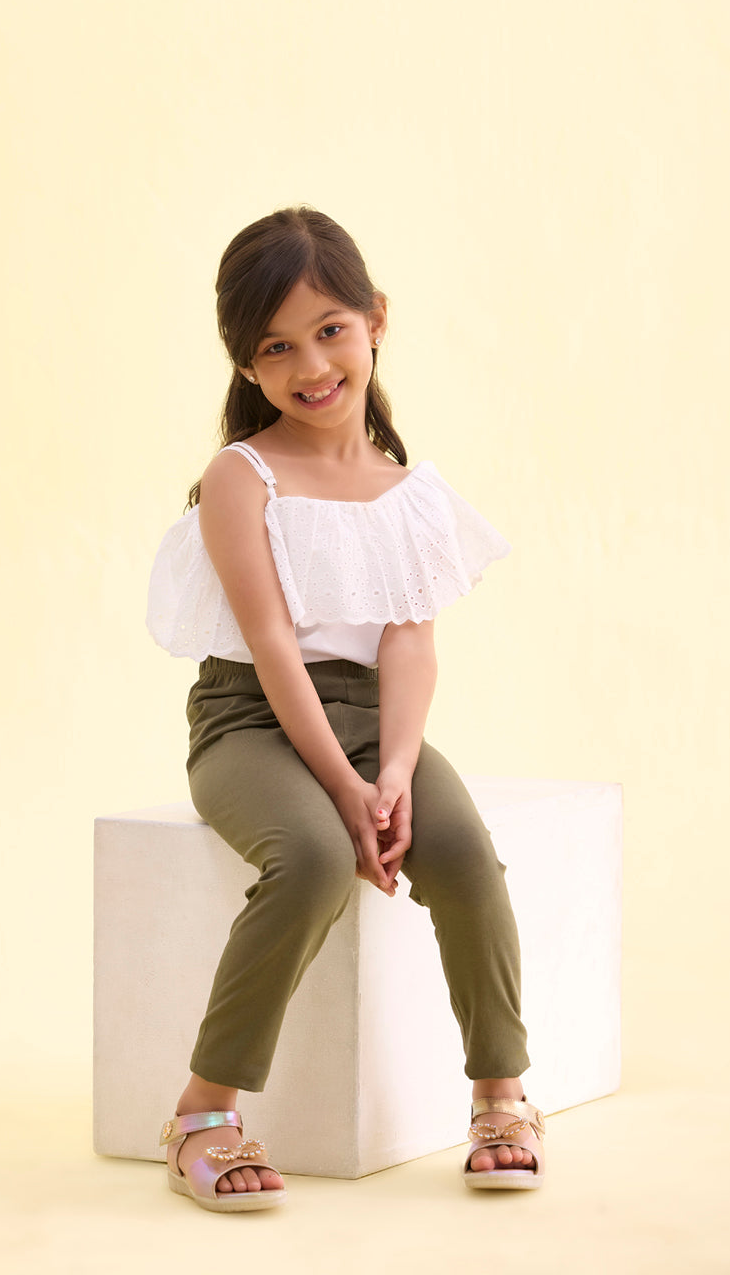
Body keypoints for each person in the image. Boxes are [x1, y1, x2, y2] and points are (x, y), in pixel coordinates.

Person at [145, 205, 545, 1212]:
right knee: (317, 858)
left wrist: (395, 773)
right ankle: (201, 1113)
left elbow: (410, 643)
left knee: (464, 854)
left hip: (373, 720)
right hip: (250, 720)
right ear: (247, 366)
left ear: (376, 320)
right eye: (276, 346)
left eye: (329, 330)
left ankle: (502, 1093)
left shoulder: (411, 490)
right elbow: (273, 645)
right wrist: (343, 789)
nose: (312, 365)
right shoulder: (241, 478)